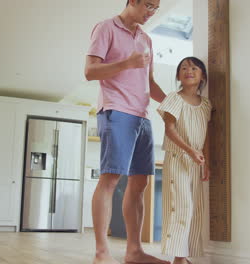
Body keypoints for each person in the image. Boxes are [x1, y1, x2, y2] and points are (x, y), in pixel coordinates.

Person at [85, 1, 169, 264]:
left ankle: (134, 251)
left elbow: (149, 82)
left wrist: (172, 106)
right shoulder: (105, 28)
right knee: (111, 179)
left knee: (140, 183)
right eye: (148, 5)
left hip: (141, 116)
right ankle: (101, 253)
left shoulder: (146, 39)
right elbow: (90, 71)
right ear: (132, 0)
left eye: (156, 8)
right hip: (117, 110)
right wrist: (127, 63)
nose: (152, 12)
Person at [157, 57, 212, 264]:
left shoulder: (206, 104)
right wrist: (190, 150)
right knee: (183, 206)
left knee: (195, 209)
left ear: (202, 76)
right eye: (183, 68)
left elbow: (207, 135)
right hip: (178, 158)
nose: (189, 70)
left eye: (194, 67)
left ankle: (184, 254)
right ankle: (178, 258)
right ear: (179, 76)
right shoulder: (174, 98)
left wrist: (206, 162)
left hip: (196, 162)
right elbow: (169, 130)